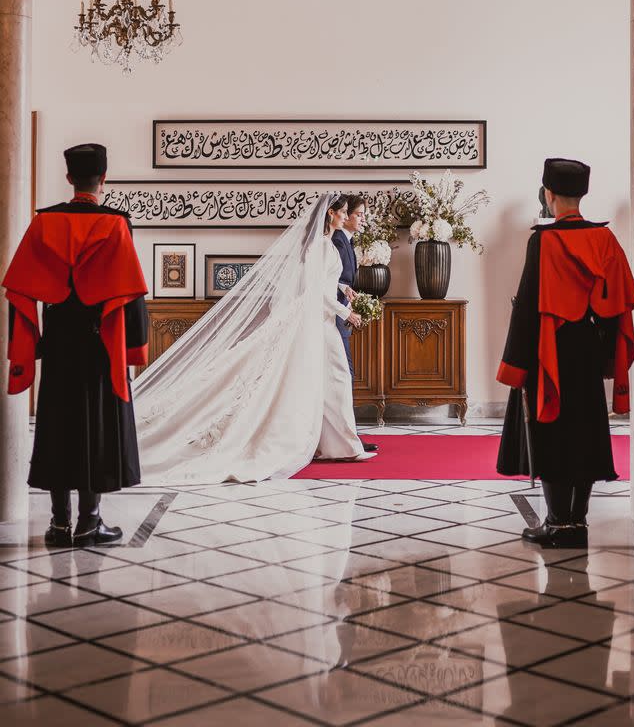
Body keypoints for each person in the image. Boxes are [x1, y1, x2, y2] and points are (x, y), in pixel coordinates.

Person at [133, 192, 375, 486]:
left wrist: (342, 288)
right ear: (330, 214)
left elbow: (322, 281)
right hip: (317, 321)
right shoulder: (323, 246)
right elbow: (316, 291)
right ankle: (344, 445)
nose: (346, 216)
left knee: (327, 379)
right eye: (343, 212)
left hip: (316, 320)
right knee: (335, 376)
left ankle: (340, 444)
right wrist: (345, 312)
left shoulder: (322, 245)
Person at [2, 143, 149, 547]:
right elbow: (130, 291)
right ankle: (90, 521)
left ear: (69, 178)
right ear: (103, 179)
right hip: (99, 342)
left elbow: (19, 287)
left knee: (56, 425)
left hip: (59, 340)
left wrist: (29, 346)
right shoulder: (116, 224)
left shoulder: (44, 223)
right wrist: (135, 345)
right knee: (96, 429)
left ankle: (58, 523)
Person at [496, 158, 634, 548]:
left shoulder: (543, 241)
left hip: (550, 352)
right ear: (582, 194)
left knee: (553, 429)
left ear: (549, 194)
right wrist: (607, 357)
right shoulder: (605, 240)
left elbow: (527, 308)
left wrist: (515, 367)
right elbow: (617, 306)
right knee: (588, 430)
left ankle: (557, 523)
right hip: (587, 350)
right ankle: (578, 522)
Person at [332, 194, 378, 454]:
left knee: (344, 376)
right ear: (345, 215)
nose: (363, 219)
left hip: (341, 314)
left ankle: (348, 435)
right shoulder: (337, 241)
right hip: (334, 318)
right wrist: (344, 296)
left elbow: (339, 279)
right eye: (359, 214)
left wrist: (348, 291)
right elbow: (325, 280)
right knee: (344, 375)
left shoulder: (347, 242)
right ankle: (348, 437)